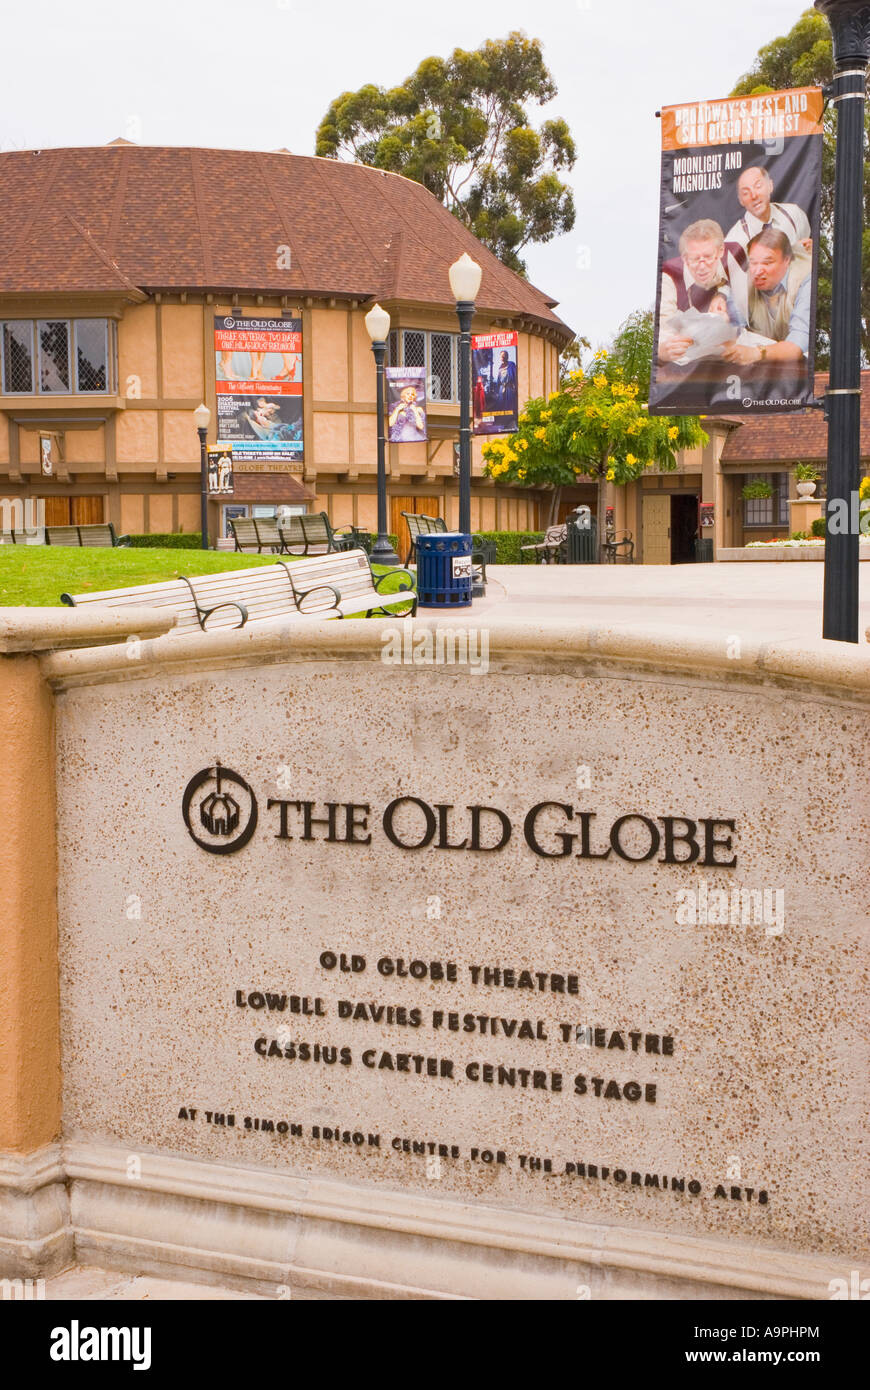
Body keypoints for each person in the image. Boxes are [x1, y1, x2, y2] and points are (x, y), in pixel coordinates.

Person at [657, 219, 748, 363]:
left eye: (707, 257)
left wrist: (722, 294)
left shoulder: (736, 253)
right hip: (690, 365)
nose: (702, 266)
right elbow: (663, 328)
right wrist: (665, 349)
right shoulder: (668, 276)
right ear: (685, 258)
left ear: (720, 252)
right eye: (694, 259)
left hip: (735, 352)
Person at [722, 227, 811, 366]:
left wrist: (756, 353)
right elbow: (733, 328)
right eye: (753, 262)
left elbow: (798, 344)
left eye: (767, 262)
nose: (757, 271)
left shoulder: (805, 279)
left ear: (787, 260)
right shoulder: (744, 281)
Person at [725, 165, 812, 255]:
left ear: (770, 186)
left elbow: (808, 250)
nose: (754, 196)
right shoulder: (735, 240)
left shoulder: (794, 214)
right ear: (741, 200)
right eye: (746, 193)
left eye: (758, 186)